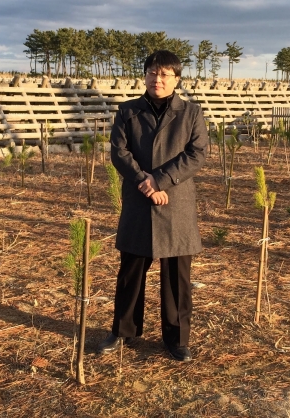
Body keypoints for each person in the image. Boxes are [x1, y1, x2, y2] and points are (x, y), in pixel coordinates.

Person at [98, 49, 207, 362]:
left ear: (176, 79)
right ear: (144, 75)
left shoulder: (191, 113)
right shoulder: (128, 111)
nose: (157, 80)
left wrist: (160, 181)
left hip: (175, 201)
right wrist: (144, 182)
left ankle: (177, 339)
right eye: (152, 73)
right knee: (131, 271)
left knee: (177, 277)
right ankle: (123, 330)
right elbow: (119, 152)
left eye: (164, 74)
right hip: (139, 200)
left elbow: (196, 154)